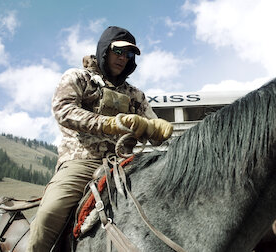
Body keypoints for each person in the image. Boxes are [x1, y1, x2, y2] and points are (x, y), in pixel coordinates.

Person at [27, 26, 173, 251]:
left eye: (129, 55)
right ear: (105, 50)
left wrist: (158, 130)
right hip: (82, 162)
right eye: (118, 51)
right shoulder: (78, 77)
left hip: (125, 164)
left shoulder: (135, 94)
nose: (123, 58)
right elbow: (63, 110)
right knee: (49, 213)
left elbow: (152, 128)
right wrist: (111, 123)